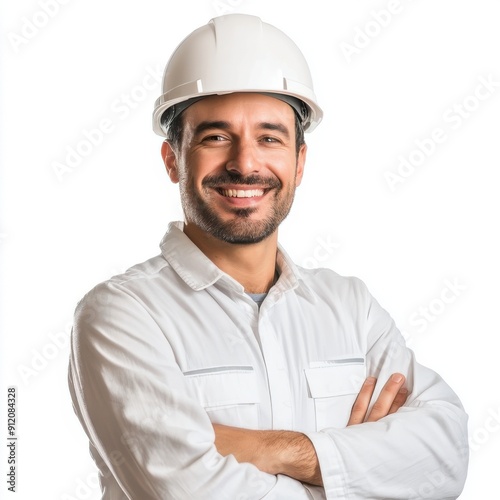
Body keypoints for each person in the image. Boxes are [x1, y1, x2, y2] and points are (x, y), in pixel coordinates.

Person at [68, 13, 469, 499]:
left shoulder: (351, 308)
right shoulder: (122, 316)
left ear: (299, 163)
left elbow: (445, 457)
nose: (245, 163)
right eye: (216, 137)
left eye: (270, 137)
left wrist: (278, 450)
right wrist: (361, 468)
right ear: (173, 159)